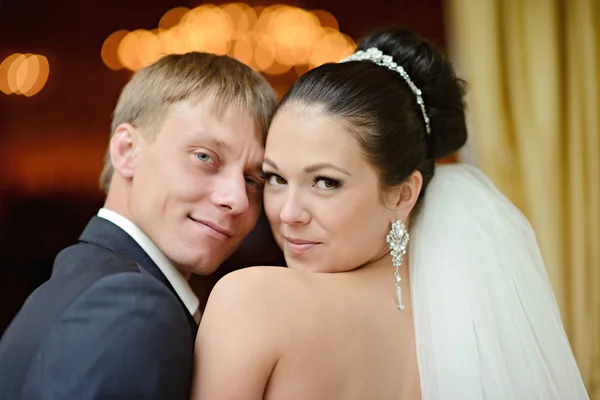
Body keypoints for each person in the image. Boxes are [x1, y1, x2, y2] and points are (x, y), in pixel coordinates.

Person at [192, 29, 589, 399]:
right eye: (275, 177)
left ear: (403, 195)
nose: (288, 213)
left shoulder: (252, 302)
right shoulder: (478, 328)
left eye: (326, 182)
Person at [0, 52, 277, 399]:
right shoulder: (133, 307)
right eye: (205, 157)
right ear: (127, 151)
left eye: (253, 180)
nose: (237, 198)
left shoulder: (86, 280)